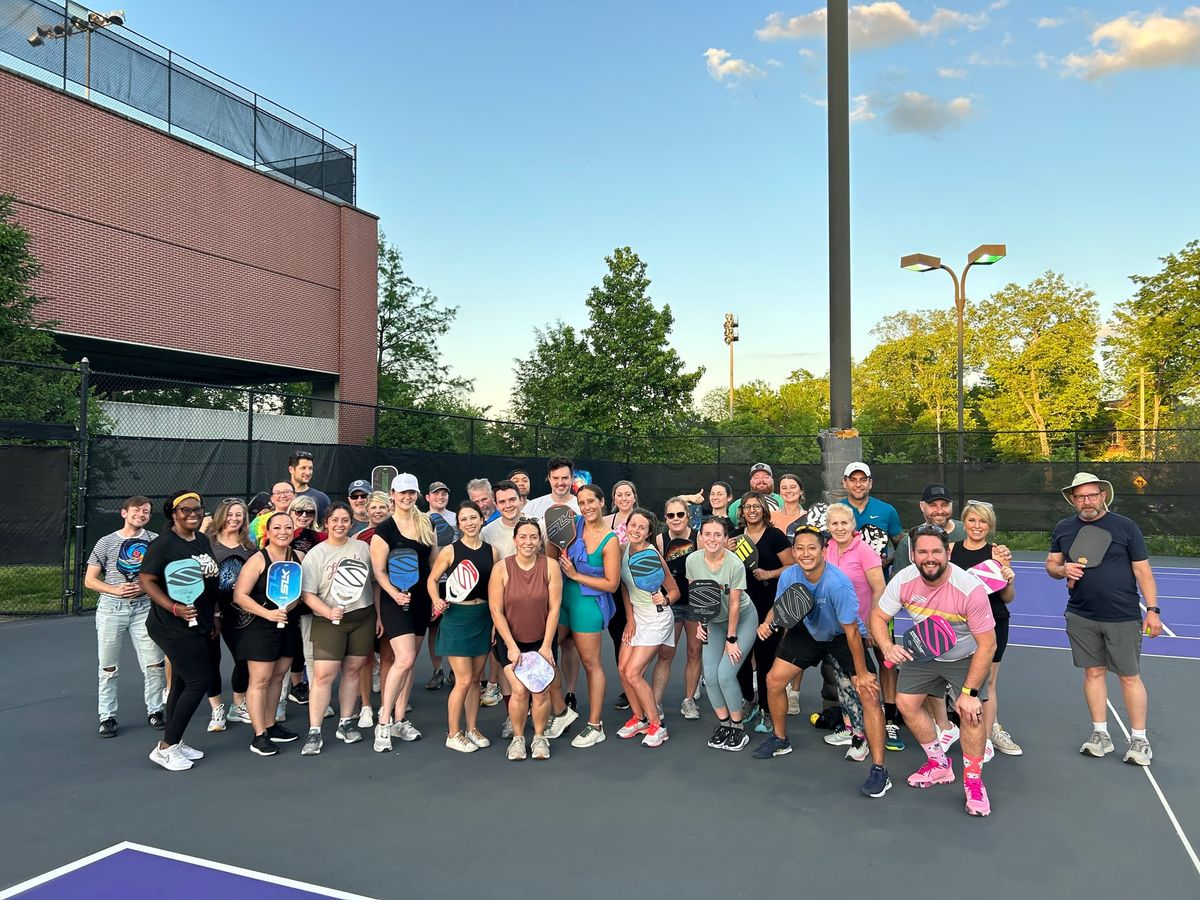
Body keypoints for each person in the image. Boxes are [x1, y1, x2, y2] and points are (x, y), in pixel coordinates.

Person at [752, 526, 891, 800]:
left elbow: (852, 631)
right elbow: (781, 606)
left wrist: (861, 673)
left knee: (870, 695)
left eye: (812, 548)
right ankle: (780, 739)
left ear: (823, 551)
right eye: (800, 548)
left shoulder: (837, 583)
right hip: (808, 632)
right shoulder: (790, 574)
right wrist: (768, 623)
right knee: (773, 680)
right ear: (794, 552)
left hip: (842, 635)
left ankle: (879, 770)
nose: (805, 553)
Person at [870, 524, 997, 817]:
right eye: (923, 551)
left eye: (936, 551)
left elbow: (987, 645)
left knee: (971, 713)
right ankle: (939, 764)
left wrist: (969, 693)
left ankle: (974, 782)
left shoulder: (969, 589)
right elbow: (878, 617)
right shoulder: (903, 580)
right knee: (905, 703)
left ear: (948, 552)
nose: (930, 558)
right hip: (925, 651)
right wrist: (888, 646)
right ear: (913, 554)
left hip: (965, 656)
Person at [1046, 472, 1160, 766]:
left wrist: (1152, 610)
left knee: (1129, 676)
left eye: (1092, 495)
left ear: (1103, 496)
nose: (1087, 501)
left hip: (1122, 616)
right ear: (1073, 500)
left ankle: (1139, 740)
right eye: (1080, 496)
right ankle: (1100, 735)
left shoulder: (1125, 527)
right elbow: (1052, 564)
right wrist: (1062, 571)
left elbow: (1142, 570)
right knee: (1093, 673)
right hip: (1081, 615)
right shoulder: (1064, 528)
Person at [138, 491, 220, 772]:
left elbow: (208, 581)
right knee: (199, 681)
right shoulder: (164, 544)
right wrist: (174, 608)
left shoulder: (200, 539)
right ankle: (165, 747)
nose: (193, 514)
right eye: (185, 510)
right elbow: (146, 579)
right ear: (173, 514)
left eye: (197, 509)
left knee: (184, 683)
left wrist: (213, 617)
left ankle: (176, 741)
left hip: (200, 622)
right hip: (172, 625)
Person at [892, 483, 970, 747]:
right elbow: (902, 582)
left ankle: (990, 730)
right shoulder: (909, 542)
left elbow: (988, 559)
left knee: (979, 689)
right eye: (933, 504)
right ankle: (944, 727)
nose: (939, 510)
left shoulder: (965, 529)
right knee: (930, 682)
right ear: (923, 507)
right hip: (930, 626)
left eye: (943, 504)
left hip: (970, 627)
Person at [547, 483, 620, 748]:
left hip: (588, 605)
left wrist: (577, 575)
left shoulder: (610, 540)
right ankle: (561, 710)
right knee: (542, 653)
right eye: (582, 503)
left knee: (592, 664)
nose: (586, 507)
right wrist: (551, 530)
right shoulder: (572, 524)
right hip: (562, 599)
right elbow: (550, 556)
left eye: (591, 501)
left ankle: (595, 725)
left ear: (602, 502)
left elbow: (612, 584)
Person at [298, 501, 375, 755]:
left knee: (353, 671)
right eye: (335, 520)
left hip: (361, 618)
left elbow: (373, 583)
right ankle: (315, 730)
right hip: (328, 620)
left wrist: (380, 616)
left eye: (345, 520)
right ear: (326, 523)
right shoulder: (316, 554)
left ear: (352, 523)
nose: (340, 525)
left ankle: (345, 722)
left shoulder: (363, 548)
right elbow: (308, 595)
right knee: (323, 676)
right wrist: (327, 611)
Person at [85, 495, 165, 738]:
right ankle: (106, 716)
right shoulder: (106, 542)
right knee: (108, 666)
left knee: (154, 664)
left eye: (147, 512)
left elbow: (163, 574)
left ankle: (155, 710)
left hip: (144, 609)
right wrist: (115, 589)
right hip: (111, 610)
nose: (141, 515)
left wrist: (144, 587)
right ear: (124, 513)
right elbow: (90, 580)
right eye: (137, 510)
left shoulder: (155, 541)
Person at [838, 461, 905, 748]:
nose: (858, 484)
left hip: (881, 600)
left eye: (862, 479)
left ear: (870, 483)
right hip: (845, 603)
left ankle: (889, 718)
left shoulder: (886, 511)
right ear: (845, 483)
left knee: (885, 656)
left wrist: (889, 562)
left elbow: (899, 543)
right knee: (847, 660)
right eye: (852, 480)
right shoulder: (838, 512)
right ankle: (854, 721)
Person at [369, 473, 438, 752]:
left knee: (409, 663)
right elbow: (379, 571)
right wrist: (394, 593)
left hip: (421, 600)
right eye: (403, 493)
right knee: (405, 658)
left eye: (412, 493)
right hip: (394, 602)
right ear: (393, 495)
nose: (407, 497)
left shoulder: (426, 523)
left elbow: (433, 565)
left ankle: (400, 720)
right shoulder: (384, 530)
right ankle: (383, 721)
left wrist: (434, 596)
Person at [950, 500, 1019, 760]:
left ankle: (988, 736)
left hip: (994, 621)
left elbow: (1008, 596)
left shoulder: (997, 554)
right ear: (964, 522)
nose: (977, 526)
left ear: (989, 526)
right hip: (960, 622)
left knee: (988, 682)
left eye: (983, 521)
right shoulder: (950, 550)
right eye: (972, 520)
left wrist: (1009, 579)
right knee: (959, 678)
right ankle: (954, 728)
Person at [490, 517, 563, 760]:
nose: (528, 542)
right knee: (520, 690)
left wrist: (546, 646)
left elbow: (554, 608)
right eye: (523, 537)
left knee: (541, 692)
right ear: (515, 540)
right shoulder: (501, 568)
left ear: (539, 540)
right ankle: (518, 739)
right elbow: (496, 611)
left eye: (533, 537)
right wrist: (510, 646)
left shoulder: (551, 566)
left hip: (542, 640)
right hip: (511, 641)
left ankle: (540, 737)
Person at [232, 511, 304, 756]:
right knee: (260, 680)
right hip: (260, 627)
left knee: (278, 677)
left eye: (288, 527)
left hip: (287, 624)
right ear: (268, 532)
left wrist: (289, 607)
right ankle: (259, 735)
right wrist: (268, 614)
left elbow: (300, 593)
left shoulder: (299, 557)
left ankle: (271, 725)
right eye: (277, 528)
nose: (283, 532)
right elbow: (240, 595)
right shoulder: (258, 560)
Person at [428, 501, 497, 753]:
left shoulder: (493, 552)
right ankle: (453, 733)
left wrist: (495, 622)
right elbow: (433, 579)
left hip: (483, 617)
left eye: (473, 518)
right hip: (457, 617)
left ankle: (472, 728)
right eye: (464, 519)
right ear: (459, 524)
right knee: (464, 679)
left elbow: (495, 590)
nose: (469, 522)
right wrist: (436, 599)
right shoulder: (450, 551)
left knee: (476, 680)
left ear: (481, 520)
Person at [685, 516, 754, 751]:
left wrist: (731, 639)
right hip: (713, 621)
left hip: (742, 620)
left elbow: (734, 604)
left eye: (718, 535)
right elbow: (697, 594)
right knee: (711, 677)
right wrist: (701, 624)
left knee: (725, 674)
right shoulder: (693, 560)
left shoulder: (734, 564)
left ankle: (738, 728)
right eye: (707, 534)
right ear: (701, 537)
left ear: (726, 538)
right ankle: (724, 724)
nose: (712, 539)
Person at [822, 503, 886, 753]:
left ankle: (864, 736)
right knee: (841, 680)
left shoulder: (865, 551)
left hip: (857, 628)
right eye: (834, 523)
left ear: (853, 526)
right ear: (828, 527)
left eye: (844, 523)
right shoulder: (826, 550)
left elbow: (880, 588)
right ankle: (851, 729)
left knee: (861, 681)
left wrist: (872, 623)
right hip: (834, 628)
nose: (839, 528)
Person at [614, 508, 680, 747]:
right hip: (637, 617)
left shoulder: (652, 555)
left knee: (633, 672)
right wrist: (630, 619)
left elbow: (674, 591)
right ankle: (640, 718)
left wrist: (664, 599)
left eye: (642, 527)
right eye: (633, 525)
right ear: (627, 526)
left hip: (657, 618)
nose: (636, 530)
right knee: (622, 669)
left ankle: (657, 726)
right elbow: (624, 587)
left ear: (649, 532)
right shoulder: (625, 550)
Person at [729, 491, 794, 733]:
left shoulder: (775, 536)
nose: (752, 510)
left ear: (764, 510)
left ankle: (768, 710)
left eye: (757, 506)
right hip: (740, 607)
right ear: (741, 511)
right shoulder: (734, 538)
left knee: (766, 658)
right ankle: (750, 700)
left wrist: (769, 574)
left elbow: (792, 565)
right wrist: (725, 551)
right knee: (740, 657)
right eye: (747, 507)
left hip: (769, 606)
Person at [204, 498, 257, 732]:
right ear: (221, 515)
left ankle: (238, 703)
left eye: (239, 515)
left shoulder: (249, 545)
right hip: (210, 611)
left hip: (239, 613)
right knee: (211, 662)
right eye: (230, 514)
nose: (234, 519)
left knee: (244, 659)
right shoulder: (207, 543)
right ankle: (216, 708)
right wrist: (213, 612)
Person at [657, 497, 702, 719]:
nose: (675, 519)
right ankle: (654, 703)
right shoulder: (659, 540)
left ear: (688, 516)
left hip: (695, 603)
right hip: (671, 604)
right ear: (665, 518)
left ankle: (689, 700)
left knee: (695, 652)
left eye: (680, 514)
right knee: (666, 653)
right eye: (670, 515)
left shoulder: (699, 538)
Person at [606, 479, 639, 710]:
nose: (624, 498)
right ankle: (626, 687)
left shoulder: (643, 520)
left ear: (634, 497)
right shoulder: (607, 521)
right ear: (614, 498)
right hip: (614, 588)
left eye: (628, 494)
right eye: (620, 495)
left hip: (637, 587)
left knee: (638, 637)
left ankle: (636, 680)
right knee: (619, 635)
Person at [481, 479, 523, 559]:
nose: (508, 505)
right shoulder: (486, 533)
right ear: (496, 505)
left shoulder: (539, 525)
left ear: (520, 500)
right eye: (502, 502)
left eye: (512, 499)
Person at [287, 450, 331, 522]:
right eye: (303, 468)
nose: (308, 472)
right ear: (291, 469)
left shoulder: (321, 499)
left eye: (310, 468)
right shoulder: (282, 497)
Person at [770, 473, 808, 538]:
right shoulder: (770, 517)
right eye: (784, 488)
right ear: (780, 493)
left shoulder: (809, 518)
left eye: (792, 487)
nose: (788, 491)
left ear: (801, 491)